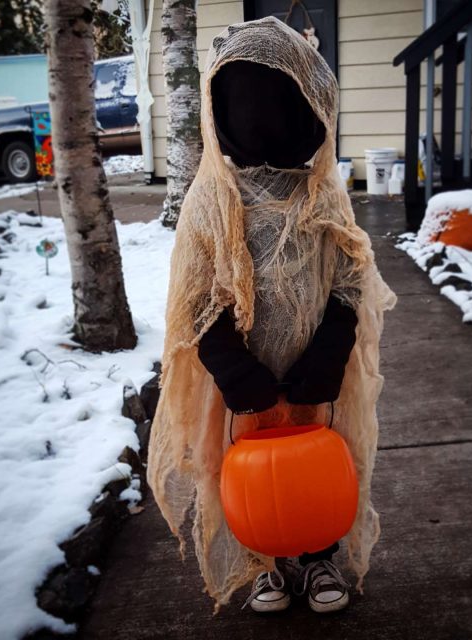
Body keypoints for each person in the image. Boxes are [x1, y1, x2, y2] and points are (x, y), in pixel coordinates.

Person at [147, 16, 396, 615]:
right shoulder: (211, 199)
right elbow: (194, 297)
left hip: (316, 371)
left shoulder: (324, 192)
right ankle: (263, 561)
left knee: (319, 465)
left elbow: (350, 276)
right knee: (242, 469)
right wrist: (234, 369)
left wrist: (331, 349)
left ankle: (317, 557)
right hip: (241, 379)